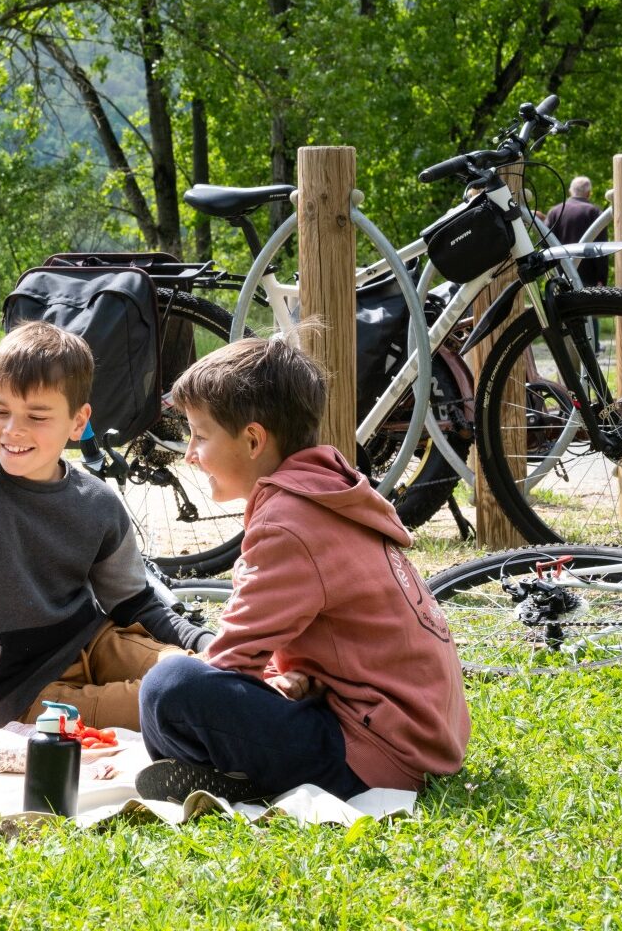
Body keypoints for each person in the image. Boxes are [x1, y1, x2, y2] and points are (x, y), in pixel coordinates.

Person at [135, 333, 470, 805]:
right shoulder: (325, 490)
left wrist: (240, 680)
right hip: (417, 738)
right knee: (182, 681)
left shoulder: (287, 524)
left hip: (375, 756)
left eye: (201, 435)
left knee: (168, 688)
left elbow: (229, 661)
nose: (189, 452)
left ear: (252, 440)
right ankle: (231, 772)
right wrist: (279, 678)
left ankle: (231, 779)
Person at [0, 321, 213, 730]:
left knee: (210, 675)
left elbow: (134, 603)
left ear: (78, 423)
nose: (13, 430)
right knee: (184, 698)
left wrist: (204, 643)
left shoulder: (97, 501)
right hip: (23, 695)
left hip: (97, 644)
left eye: (37, 416)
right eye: (0, 410)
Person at [545, 176, 607, 287]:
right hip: (589, 279)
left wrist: (551, 275)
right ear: (588, 193)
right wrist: (602, 278)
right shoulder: (595, 213)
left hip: (560, 278)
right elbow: (601, 248)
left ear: (570, 191)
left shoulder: (555, 212)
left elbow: (544, 244)